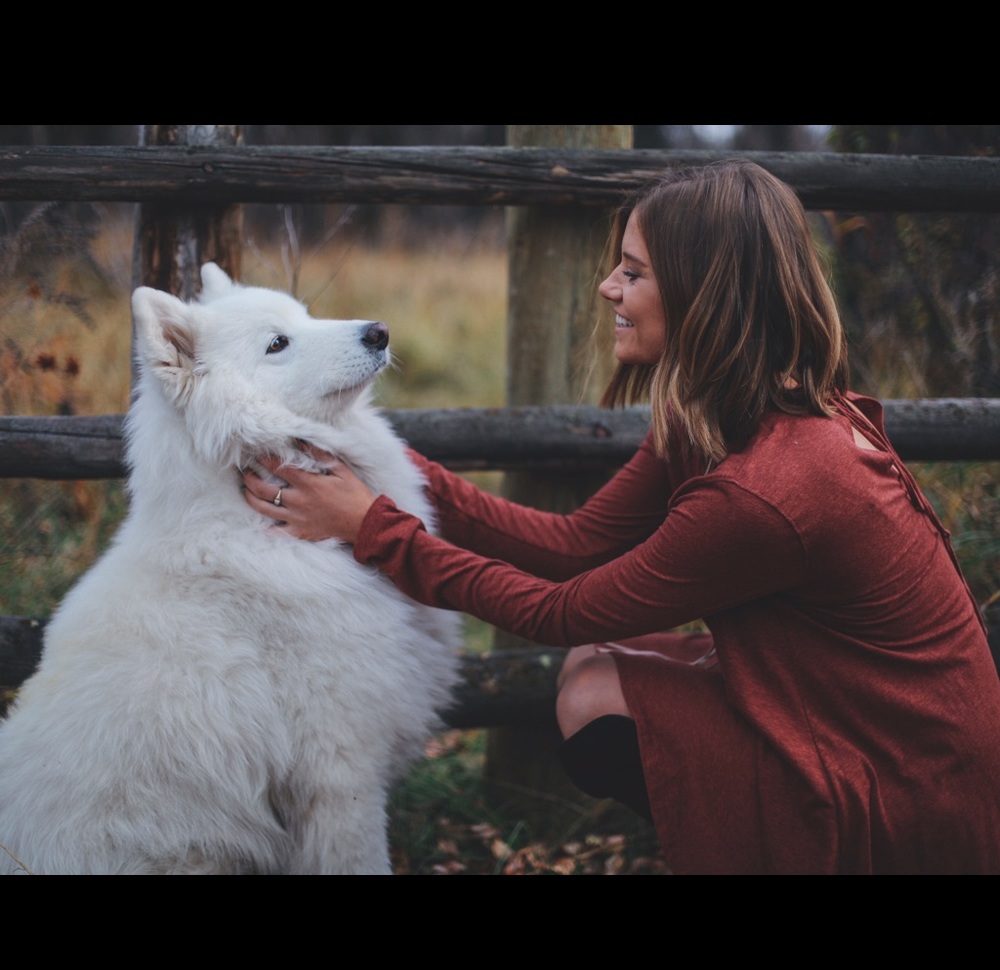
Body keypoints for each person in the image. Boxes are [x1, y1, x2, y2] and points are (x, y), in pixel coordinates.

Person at [242, 159, 1000, 875]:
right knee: (597, 664)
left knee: (594, 691)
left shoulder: (770, 486)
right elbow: (576, 545)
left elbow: (558, 608)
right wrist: (391, 470)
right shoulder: (718, 413)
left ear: (706, 294)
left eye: (634, 272)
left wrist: (374, 526)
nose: (608, 287)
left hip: (908, 781)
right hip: (851, 712)